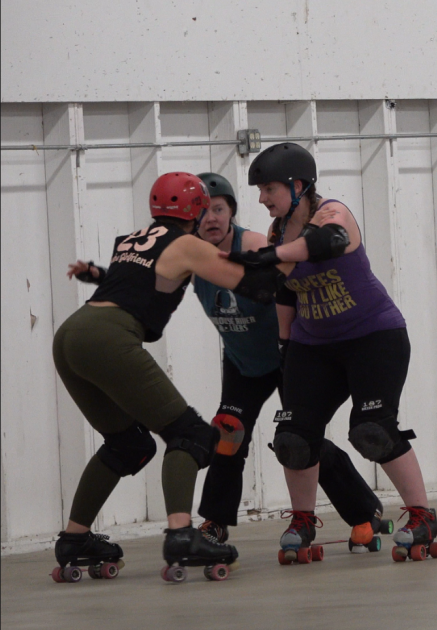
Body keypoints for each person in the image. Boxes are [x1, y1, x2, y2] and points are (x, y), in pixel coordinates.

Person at [51, 172, 283, 583]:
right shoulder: (188, 244)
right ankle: (181, 535)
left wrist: (94, 273)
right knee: (190, 434)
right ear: (195, 210)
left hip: (72, 334)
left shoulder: (133, 238)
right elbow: (253, 287)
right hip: (109, 338)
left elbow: (143, 284)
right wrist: (292, 257)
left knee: (128, 444)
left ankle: (75, 540)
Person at [228, 143, 437, 561]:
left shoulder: (333, 214)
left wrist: (271, 255)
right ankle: (303, 519)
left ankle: (421, 515)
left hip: (373, 336)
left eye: (268, 188)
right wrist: (285, 345)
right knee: (293, 438)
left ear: (297, 185)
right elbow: (286, 293)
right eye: (259, 190)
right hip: (313, 345)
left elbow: (327, 242)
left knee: (372, 430)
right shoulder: (277, 232)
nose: (261, 198)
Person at [190, 172, 393, 556]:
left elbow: (290, 286)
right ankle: (215, 523)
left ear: (231, 212)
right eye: (202, 213)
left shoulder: (253, 244)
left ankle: (365, 510)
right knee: (228, 433)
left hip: (287, 353)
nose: (211, 220)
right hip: (243, 360)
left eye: (218, 210)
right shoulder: (191, 253)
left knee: (302, 438)